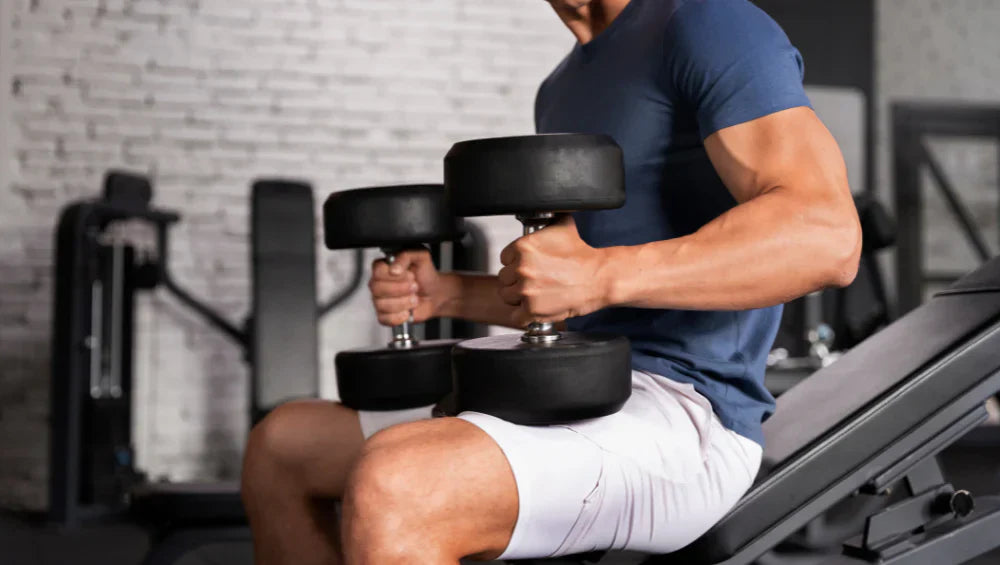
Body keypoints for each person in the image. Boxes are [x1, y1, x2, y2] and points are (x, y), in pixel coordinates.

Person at [240, 0, 861, 563]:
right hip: (570, 381)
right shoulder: (561, 87)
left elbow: (827, 238)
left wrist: (600, 275)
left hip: (687, 414)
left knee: (400, 481)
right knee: (283, 447)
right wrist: (446, 293)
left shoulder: (708, 23)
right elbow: (571, 295)